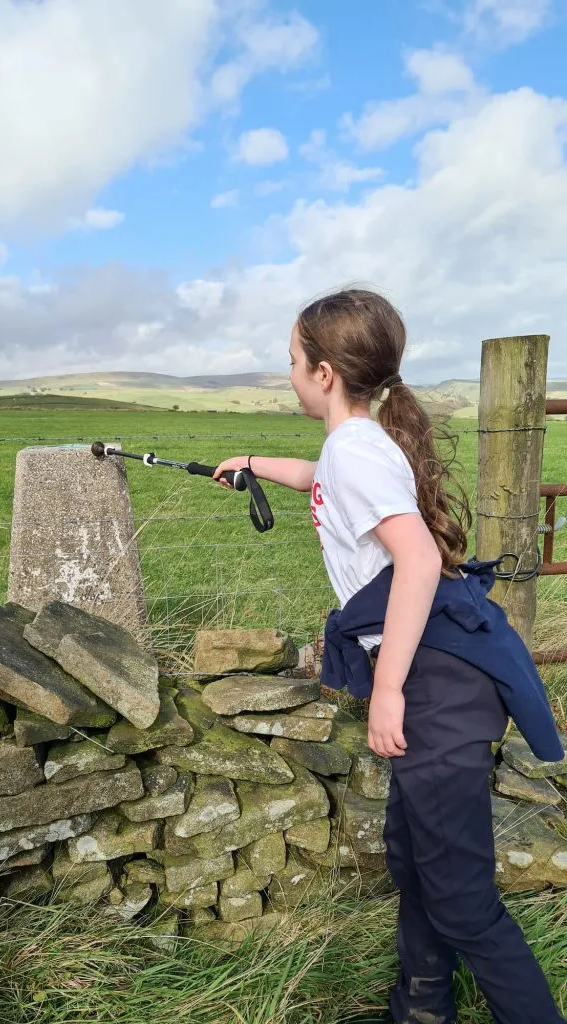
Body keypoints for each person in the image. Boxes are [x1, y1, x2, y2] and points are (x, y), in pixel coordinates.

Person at [213, 288, 565, 1024]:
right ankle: (422, 1008)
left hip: (435, 687)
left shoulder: (357, 450)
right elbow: (322, 483)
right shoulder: (356, 446)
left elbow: (417, 560)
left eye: (291, 362)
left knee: (465, 904)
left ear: (324, 373)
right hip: (440, 676)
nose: (288, 375)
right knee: (413, 859)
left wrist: (388, 690)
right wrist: (250, 462)